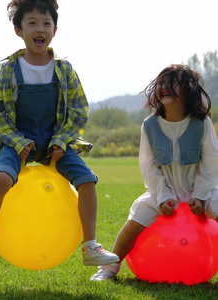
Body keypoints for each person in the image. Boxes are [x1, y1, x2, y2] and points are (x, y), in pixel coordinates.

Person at [0, 0, 119, 267]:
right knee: (1, 178)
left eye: (46, 23)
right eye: (32, 23)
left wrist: (61, 141)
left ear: (55, 30)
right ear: (18, 30)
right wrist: (16, 141)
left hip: (55, 142)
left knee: (87, 181)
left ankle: (91, 246)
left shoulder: (65, 70)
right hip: (16, 141)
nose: (40, 29)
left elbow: (79, 110)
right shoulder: (9, 69)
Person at [91, 64, 218, 281]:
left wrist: (200, 195)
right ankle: (111, 265)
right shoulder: (150, 125)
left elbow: (211, 163)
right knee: (136, 218)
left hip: (201, 190)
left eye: (173, 82)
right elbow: (148, 166)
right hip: (163, 190)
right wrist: (163, 196)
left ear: (188, 89)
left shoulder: (202, 123)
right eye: (162, 83)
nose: (165, 87)